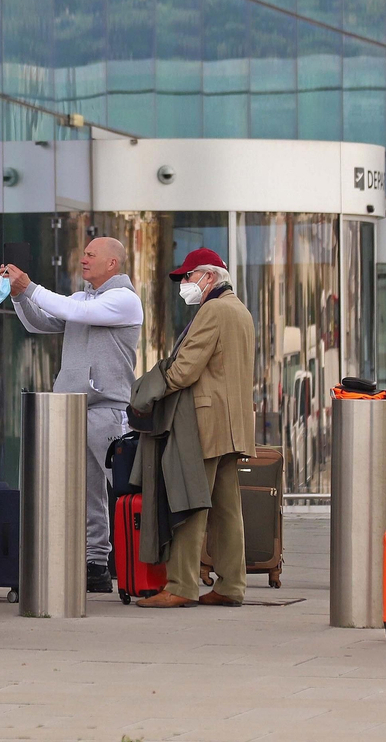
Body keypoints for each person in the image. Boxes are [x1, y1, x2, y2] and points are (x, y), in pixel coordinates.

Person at [4, 237, 143, 593]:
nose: (82, 259)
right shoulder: (82, 300)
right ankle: (96, 565)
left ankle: (145, 563)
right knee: (87, 493)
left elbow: (76, 313)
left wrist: (30, 286)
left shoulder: (124, 300)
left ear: (112, 264)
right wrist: (19, 295)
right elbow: (41, 323)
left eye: (90, 255)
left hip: (108, 410)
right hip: (73, 409)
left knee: (125, 489)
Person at [137, 249, 255, 609]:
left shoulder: (214, 310)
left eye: (187, 278)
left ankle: (182, 585)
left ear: (208, 277)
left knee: (189, 502)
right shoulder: (240, 310)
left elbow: (186, 368)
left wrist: (152, 389)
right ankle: (232, 584)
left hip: (205, 423)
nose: (184, 285)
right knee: (227, 509)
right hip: (233, 424)